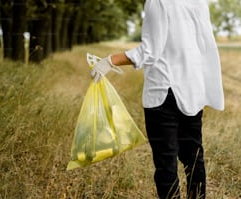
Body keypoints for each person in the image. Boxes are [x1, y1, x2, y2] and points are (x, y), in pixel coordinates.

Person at [91, 0, 224, 198]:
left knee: (166, 164)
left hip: (163, 91)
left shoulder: (159, 1)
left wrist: (110, 60)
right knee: (194, 158)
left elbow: (150, 51)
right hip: (193, 90)